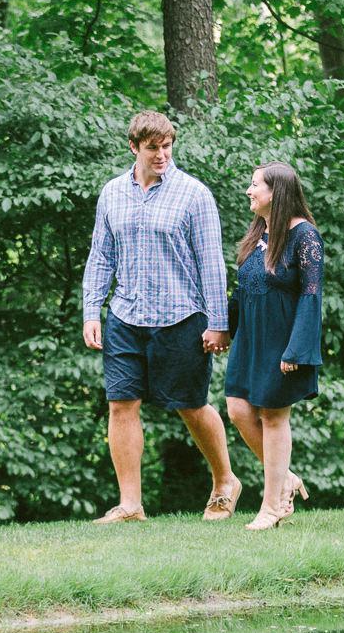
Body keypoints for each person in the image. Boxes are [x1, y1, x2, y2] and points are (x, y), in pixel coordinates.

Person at [82, 112, 242, 523]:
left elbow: (211, 263)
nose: (162, 155)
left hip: (181, 316)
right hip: (125, 314)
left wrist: (218, 322)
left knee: (190, 405)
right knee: (121, 404)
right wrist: (92, 311)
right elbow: (101, 255)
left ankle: (225, 482)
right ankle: (131, 505)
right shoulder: (112, 193)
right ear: (134, 147)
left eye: (167, 146)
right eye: (153, 147)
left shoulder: (194, 194)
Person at [224, 162, 324, 529]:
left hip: (283, 340)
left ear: (276, 192)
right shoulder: (258, 233)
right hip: (250, 338)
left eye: (255, 185)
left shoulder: (305, 237)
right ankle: (285, 478)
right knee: (237, 409)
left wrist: (296, 350)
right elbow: (244, 289)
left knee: (272, 415)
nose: (249, 191)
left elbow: (311, 296)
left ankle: (271, 508)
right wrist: (222, 329)